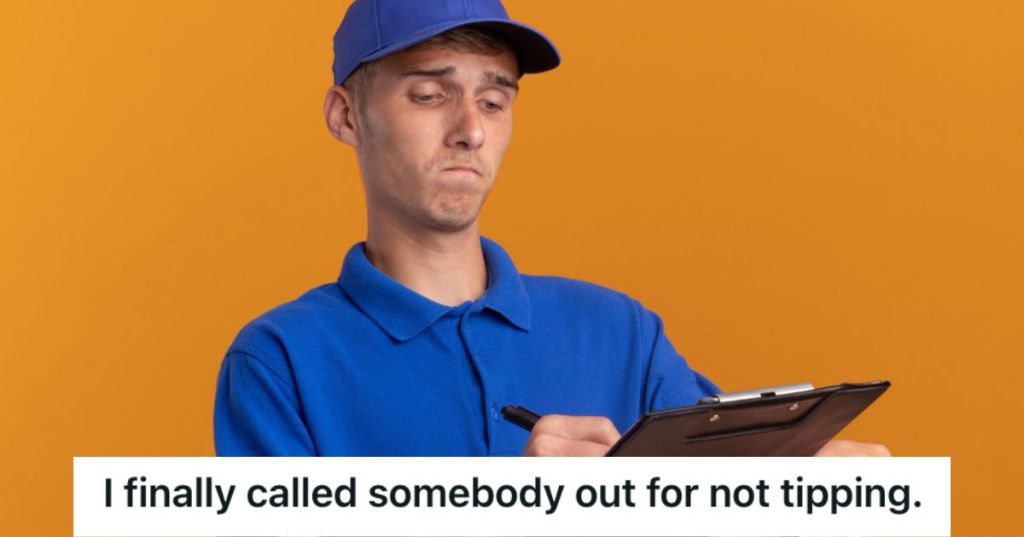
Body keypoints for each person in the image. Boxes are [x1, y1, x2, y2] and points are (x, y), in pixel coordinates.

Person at [213, 0, 888, 458]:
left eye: (493, 100)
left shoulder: (621, 333)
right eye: (430, 94)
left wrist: (803, 494)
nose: (470, 130)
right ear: (345, 116)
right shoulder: (280, 362)